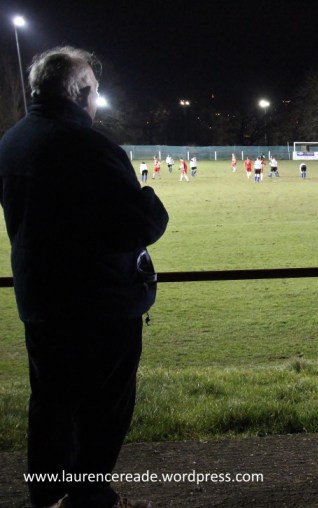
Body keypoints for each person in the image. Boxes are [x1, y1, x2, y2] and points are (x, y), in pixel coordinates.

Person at [0, 46, 167, 508]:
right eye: (94, 89)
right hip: (99, 305)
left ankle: (48, 497)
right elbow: (141, 222)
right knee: (103, 409)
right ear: (78, 92)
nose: (96, 98)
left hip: (40, 299)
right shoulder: (89, 146)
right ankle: (90, 497)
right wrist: (150, 198)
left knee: (51, 404)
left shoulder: (12, 141)